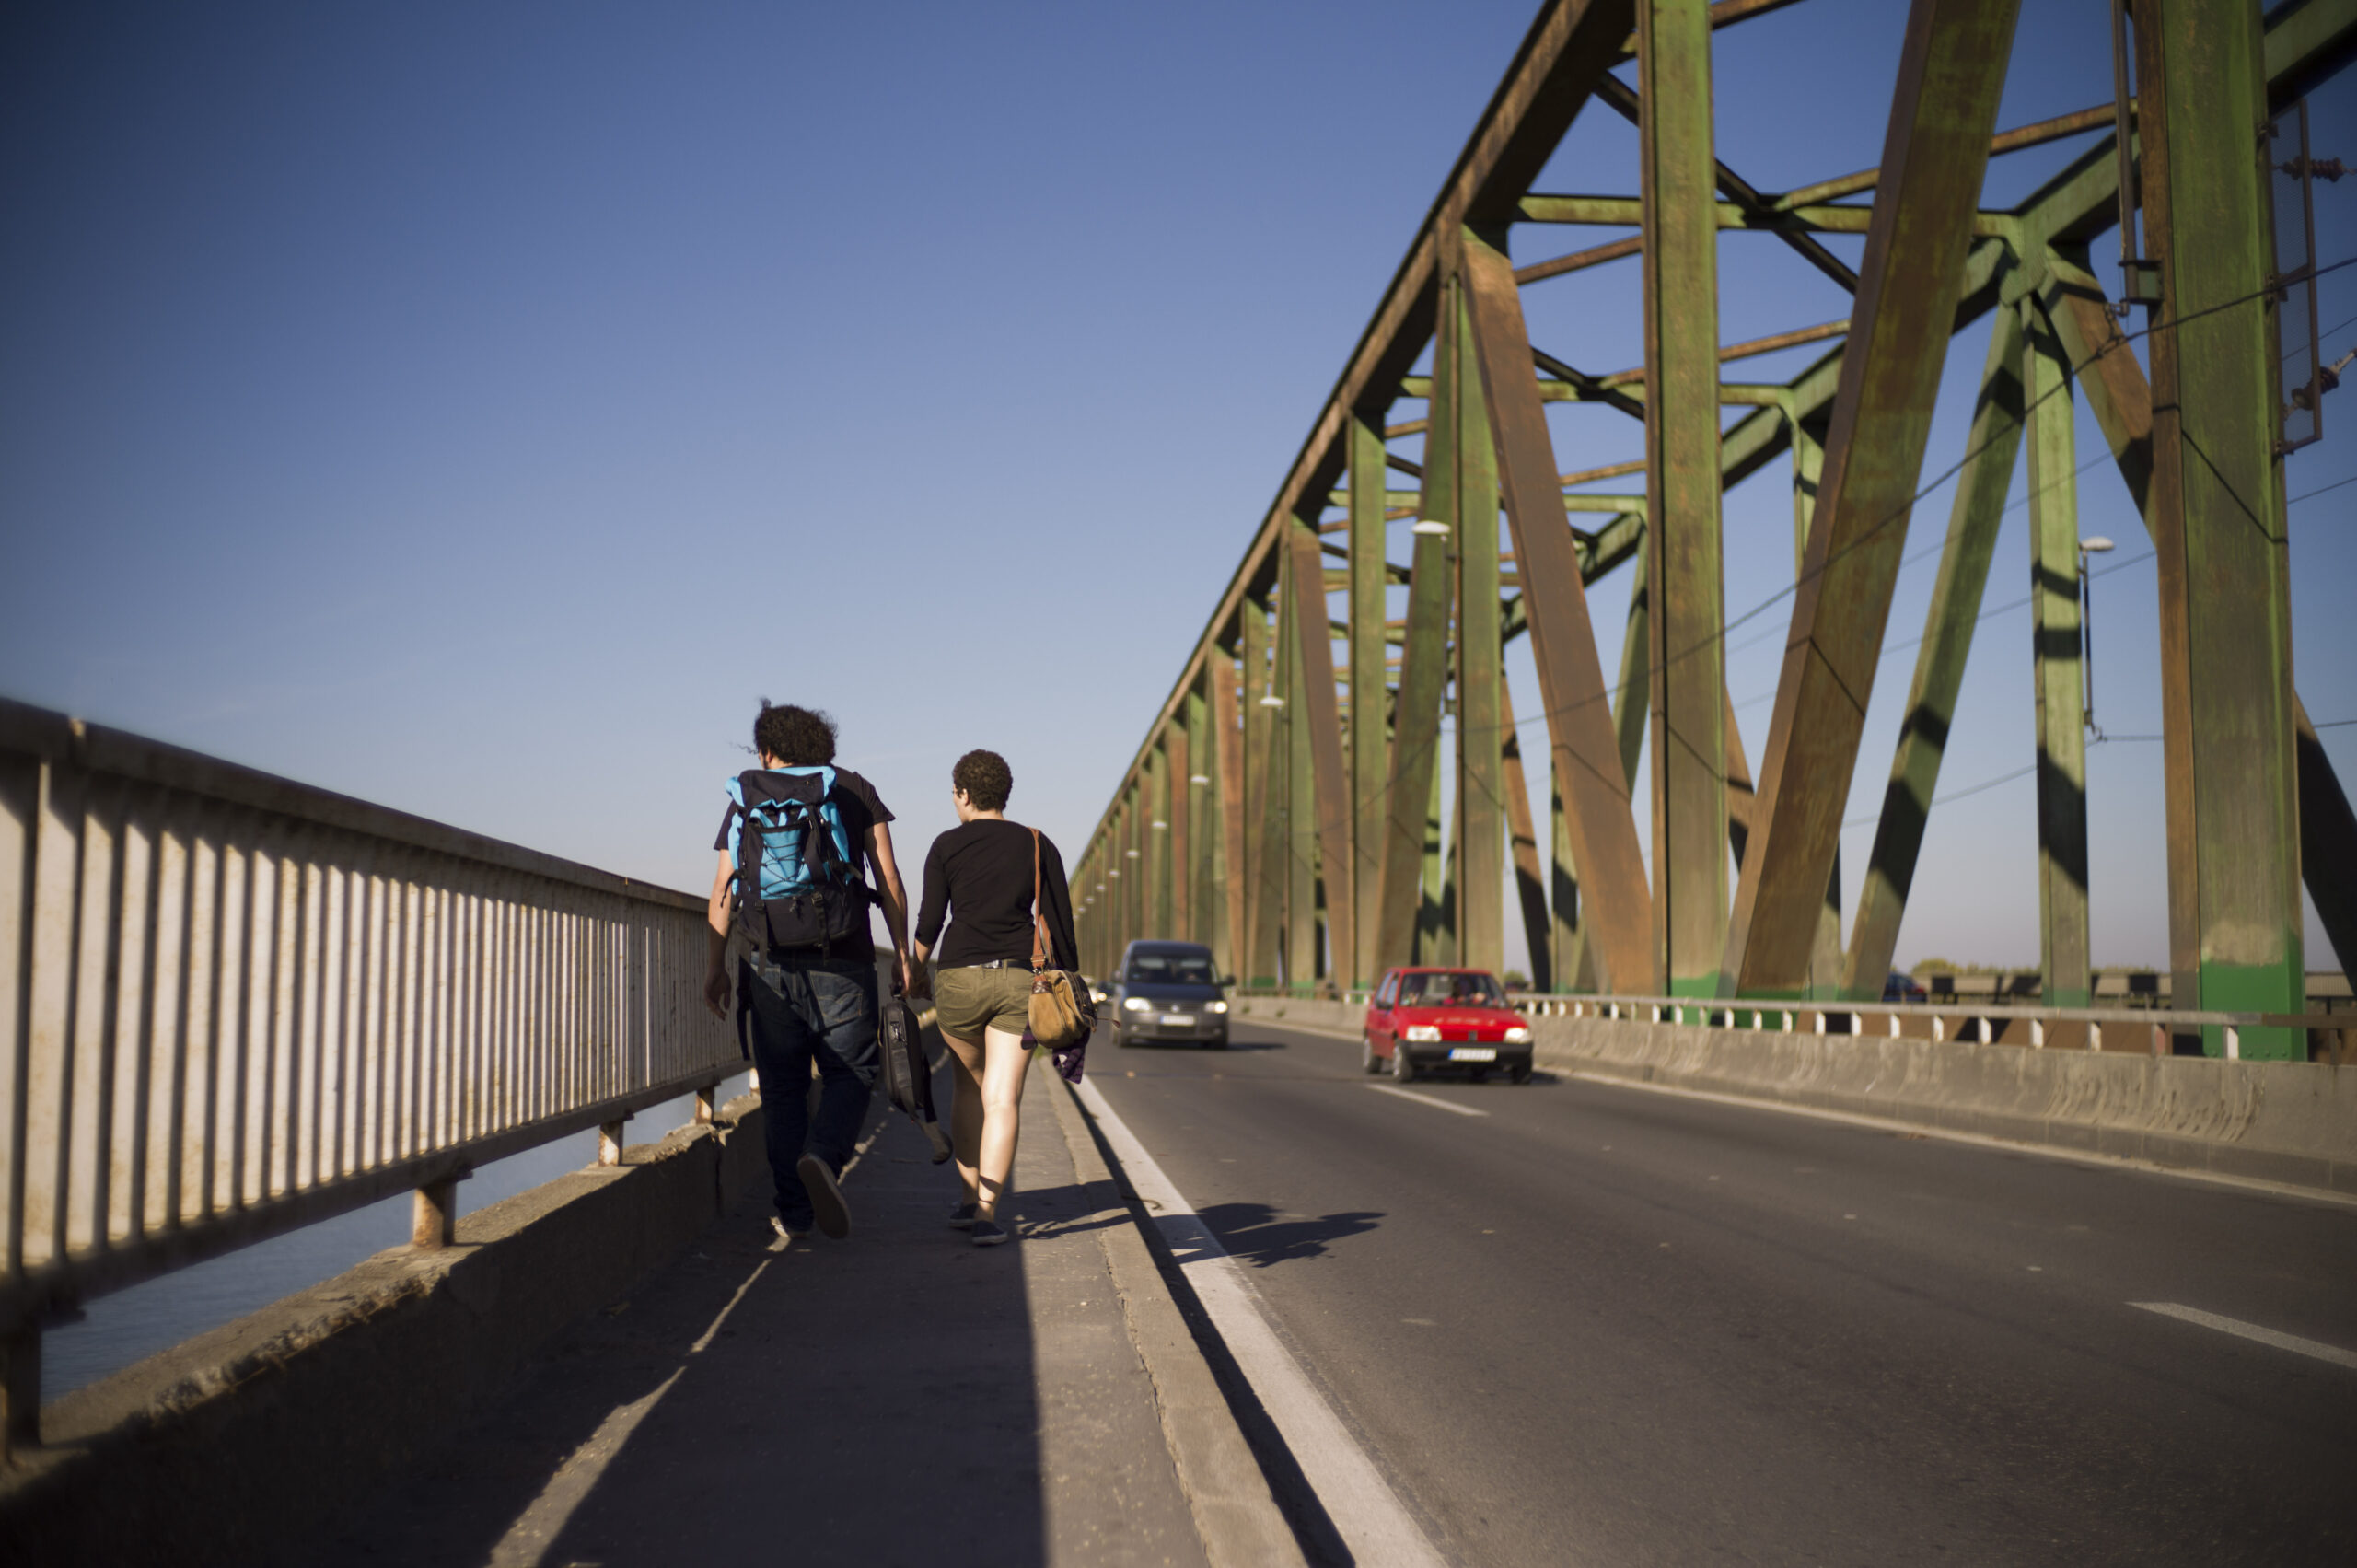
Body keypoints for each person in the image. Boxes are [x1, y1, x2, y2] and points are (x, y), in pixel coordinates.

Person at [703, 702, 913, 1243]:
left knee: (782, 1090)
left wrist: (716, 967)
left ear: (768, 750)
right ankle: (823, 1155)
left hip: (766, 960)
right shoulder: (850, 787)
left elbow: (722, 893)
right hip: (843, 954)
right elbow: (888, 876)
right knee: (852, 1072)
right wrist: (906, 957)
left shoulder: (748, 795)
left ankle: (793, 1215)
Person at [909, 749, 1076, 1248]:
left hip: (958, 977)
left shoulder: (945, 846)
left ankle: (965, 1199)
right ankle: (986, 1214)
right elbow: (1060, 926)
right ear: (1005, 793)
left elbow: (929, 923)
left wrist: (913, 972)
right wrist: (1070, 985)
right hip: (1017, 980)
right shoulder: (1035, 843)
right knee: (1002, 1098)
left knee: (966, 1089)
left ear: (963, 794)